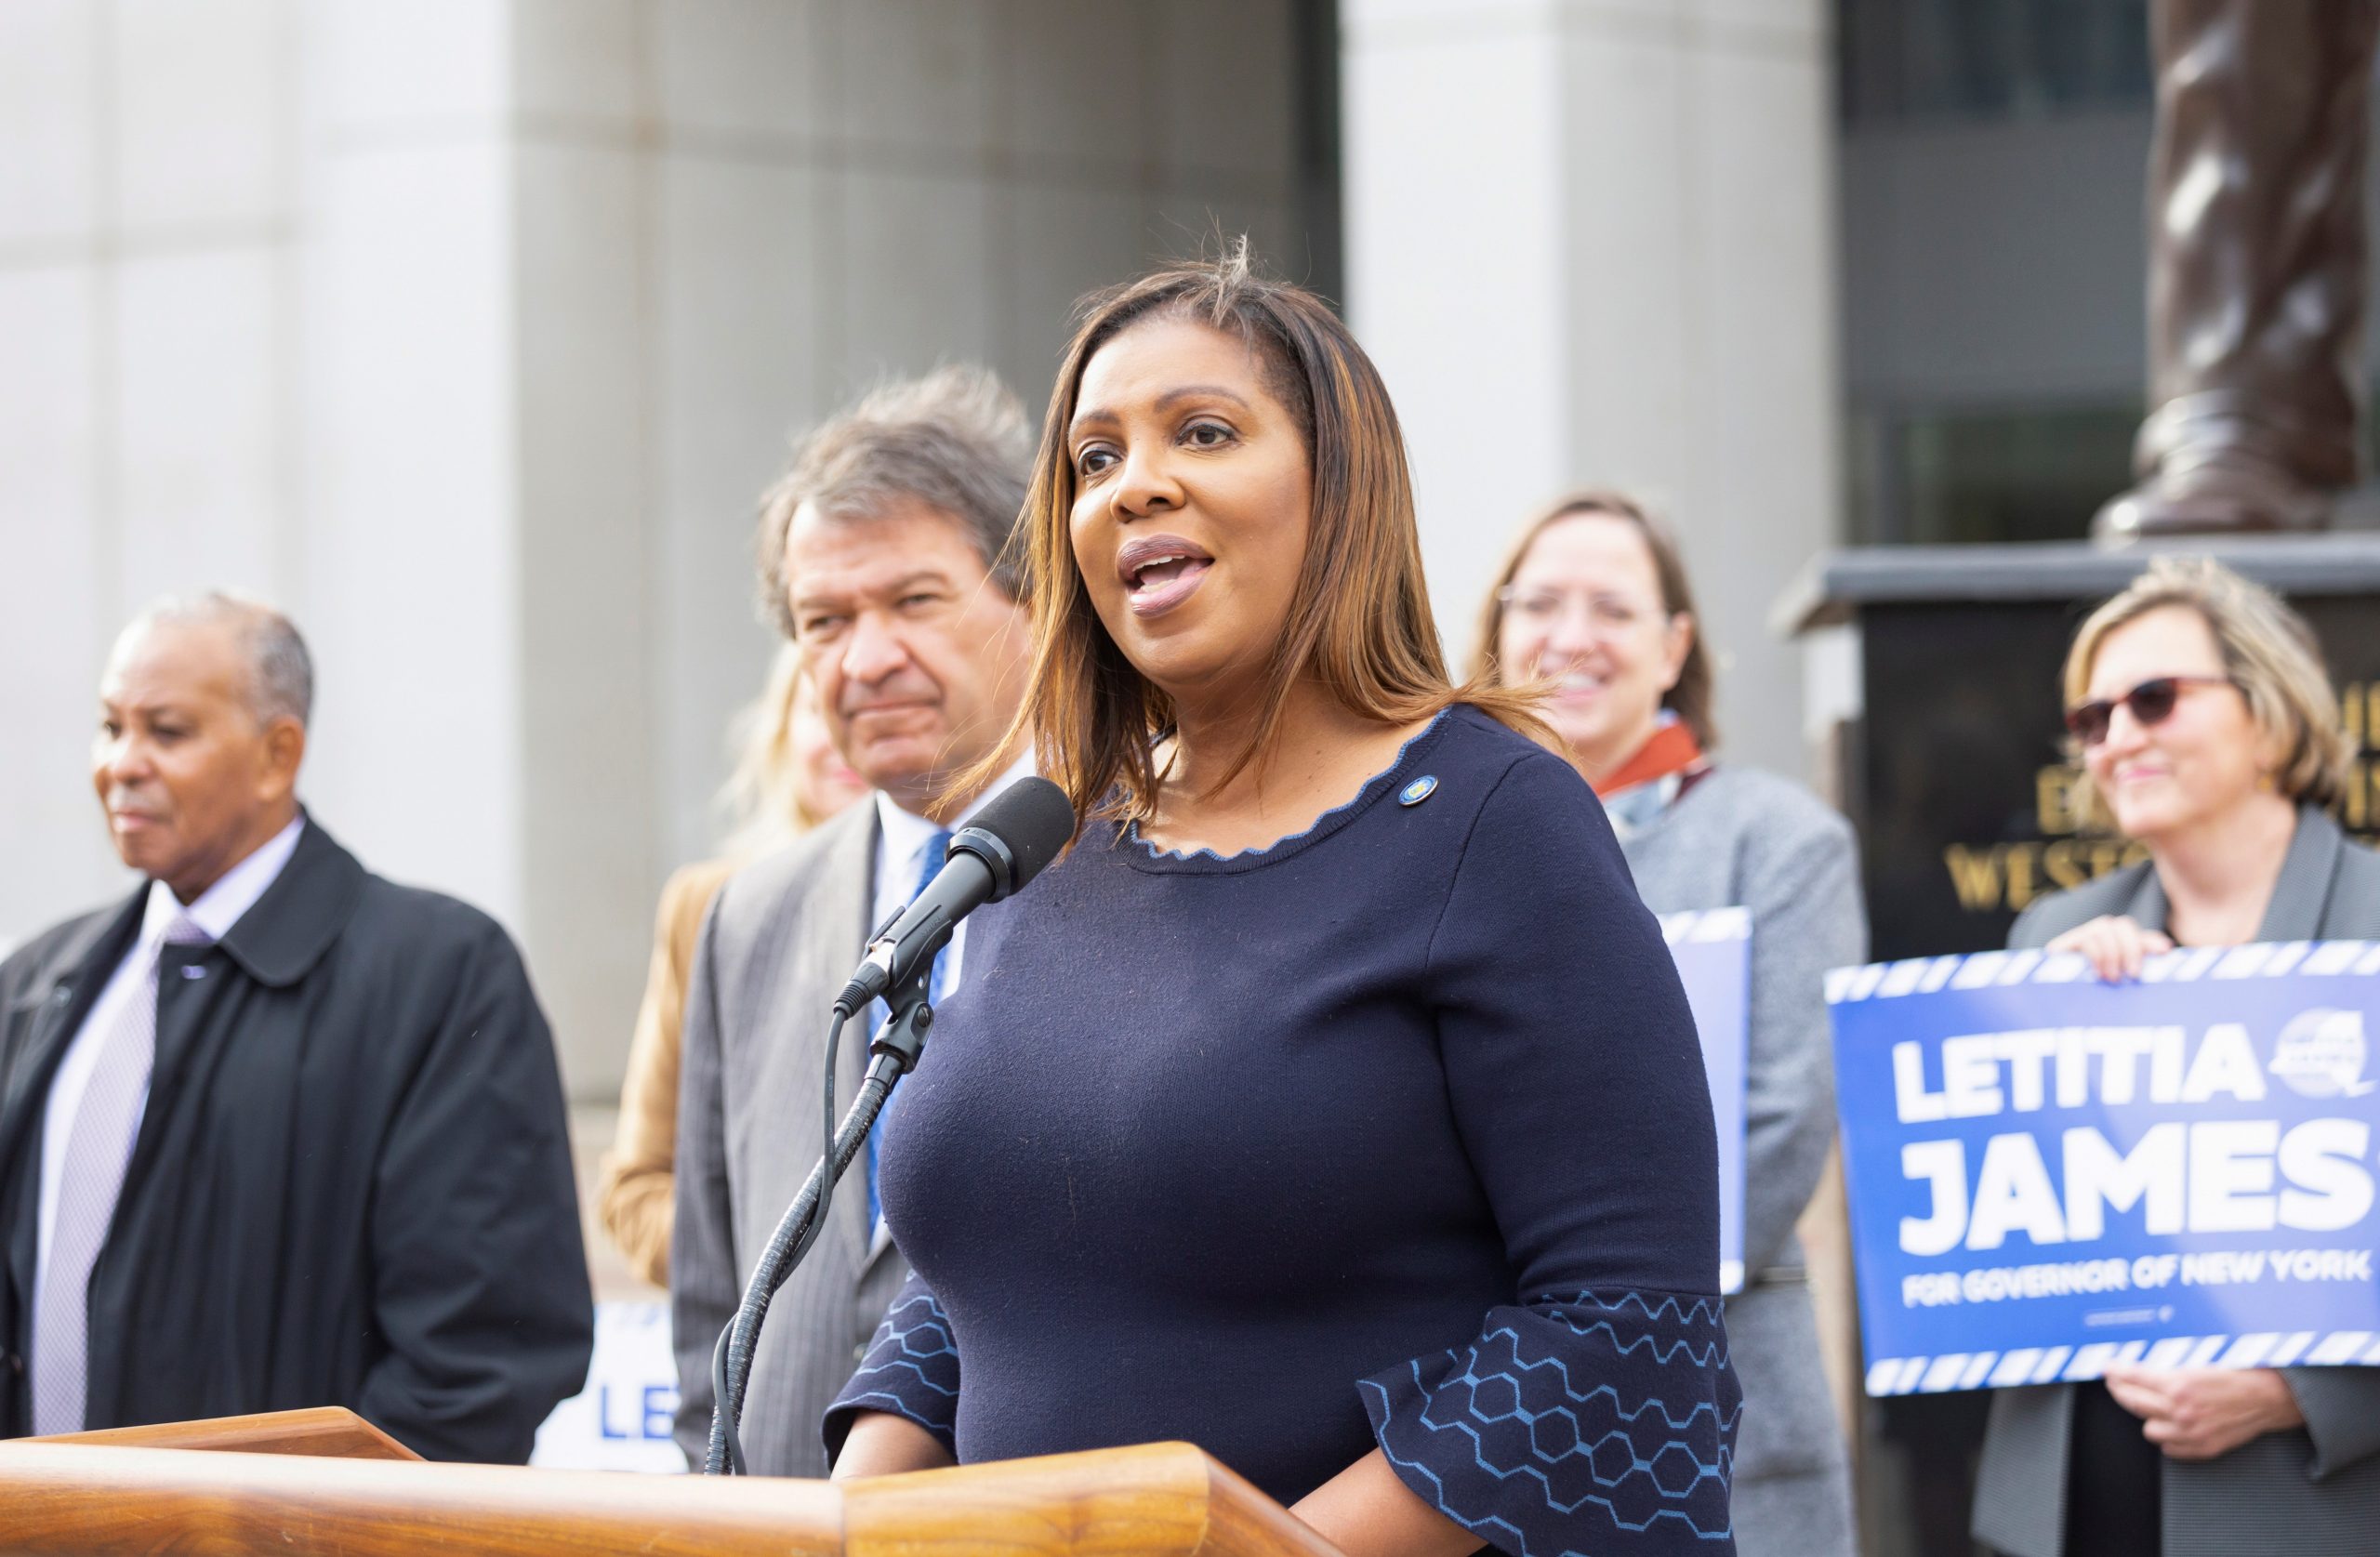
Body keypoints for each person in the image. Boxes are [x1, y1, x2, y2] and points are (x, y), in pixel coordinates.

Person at [825, 250, 1739, 1557]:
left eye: (1202, 431)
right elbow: (997, 1267)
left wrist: (1264, 1550)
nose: (1133, 481)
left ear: (1338, 488)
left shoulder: (1495, 819)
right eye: (1092, 458)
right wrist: (852, 1516)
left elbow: (1621, 1322)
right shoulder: (1055, 835)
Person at [0, 595, 591, 1462]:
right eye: (109, 726)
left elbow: (480, 1359)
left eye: (167, 731)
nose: (122, 764)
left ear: (279, 755)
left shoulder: (440, 976)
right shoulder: (38, 982)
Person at [1474, 492, 1859, 1557]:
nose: (1571, 635)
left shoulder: (1781, 842)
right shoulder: (1432, 841)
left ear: (1673, 645)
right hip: (1480, 1426)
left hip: (1724, 1412)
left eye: (1613, 607)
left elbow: (1783, 1124)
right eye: (1541, 601)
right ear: (1497, 629)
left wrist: (1565, 1319)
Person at [1971, 556, 2380, 1556]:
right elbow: (1977, 1228)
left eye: (2152, 700)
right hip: (2068, 1505)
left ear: (2268, 712)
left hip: (2302, 1507)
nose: (2117, 739)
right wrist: (2032, 1029)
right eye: (2091, 718)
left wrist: (2299, 1395)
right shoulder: (2051, 936)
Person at [670, 366, 1037, 1476]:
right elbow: (706, 1294)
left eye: (914, 601)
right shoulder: (752, 915)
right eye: (825, 620)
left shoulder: (1144, 866)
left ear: (1034, 597)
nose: (864, 659)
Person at [597, 650, 865, 1288]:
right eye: (815, 707)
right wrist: (782, 1278)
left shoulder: (987, 893)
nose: (844, 736)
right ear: (779, 735)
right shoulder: (712, 908)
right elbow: (637, 1188)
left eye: (865, 705)